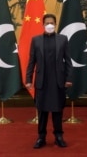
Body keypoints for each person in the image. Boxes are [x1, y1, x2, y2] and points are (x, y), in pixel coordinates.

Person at [25, 13, 73, 149]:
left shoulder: (63, 39)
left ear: (55, 24)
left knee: (58, 110)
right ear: (43, 25)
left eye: (52, 23)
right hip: (42, 81)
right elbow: (31, 61)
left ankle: (59, 136)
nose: (50, 25)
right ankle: (41, 137)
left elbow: (68, 61)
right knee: (42, 111)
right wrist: (28, 79)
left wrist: (69, 78)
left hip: (58, 81)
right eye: (47, 23)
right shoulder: (36, 40)